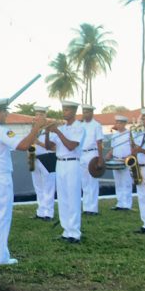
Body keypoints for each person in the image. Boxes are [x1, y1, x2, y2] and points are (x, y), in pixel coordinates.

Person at [0, 99, 48, 266]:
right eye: (5, 112)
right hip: (0, 178)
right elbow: (23, 145)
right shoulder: (1, 131)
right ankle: (0, 258)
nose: (7, 115)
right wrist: (37, 128)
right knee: (1, 217)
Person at [45, 100, 85, 242]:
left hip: (72, 163)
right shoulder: (62, 127)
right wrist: (47, 133)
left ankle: (74, 232)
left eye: (67, 109)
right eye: (63, 109)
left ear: (74, 111)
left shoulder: (79, 127)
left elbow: (71, 146)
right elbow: (49, 146)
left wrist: (56, 131)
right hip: (60, 163)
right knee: (62, 198)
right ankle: (66, 230)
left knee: (72, 198)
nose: (64, 112)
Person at [30, 105, 56, 221]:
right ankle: (40, 211)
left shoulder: (50, 128)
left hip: (47, 159)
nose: (39, 116)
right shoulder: (34, 128)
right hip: (34, 158)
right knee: (38, 187)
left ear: (45, 115)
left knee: (48, 187)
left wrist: (38, 142)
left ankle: (48, 213)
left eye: (41, 114)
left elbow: (53, 147)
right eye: (37, 114)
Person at [79, 104, 104, 215]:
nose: (85, 114)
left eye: (88, 112)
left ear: (92, 113)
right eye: (84, 112)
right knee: (84, 182)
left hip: (92, 153)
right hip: (82, 154)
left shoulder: (96, 125)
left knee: (92, 181)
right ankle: (86, 207)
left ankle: (92, 208)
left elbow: (99, 142)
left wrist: (100, 158)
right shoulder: (80, 125)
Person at [106, 115, 133, 211]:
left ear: (125, 123)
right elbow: (113, 147)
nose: (118, 124)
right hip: (116, 160)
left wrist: (129, 157)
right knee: (118, 182)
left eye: (120, 123)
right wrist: (109, 155)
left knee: (126, 182)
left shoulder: (130, 134)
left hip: (126, 160)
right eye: (117, 122)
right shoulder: (115, 134)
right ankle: (120, 203)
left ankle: (127, 204)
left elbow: (133, 148)